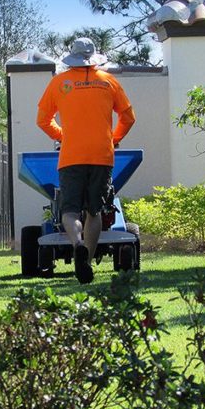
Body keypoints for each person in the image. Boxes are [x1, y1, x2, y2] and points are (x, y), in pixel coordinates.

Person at [36, 38, 136, 284]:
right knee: (95, 212)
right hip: (102, 156)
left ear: (72, 57)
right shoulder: (108, 81)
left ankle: (77, 243)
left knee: (69, 210)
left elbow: (42, 120)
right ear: (94, 57)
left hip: (71, 156)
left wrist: (64, 136)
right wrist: (113, 139)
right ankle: (87, 263)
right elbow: (128, 117)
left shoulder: (59, 82)